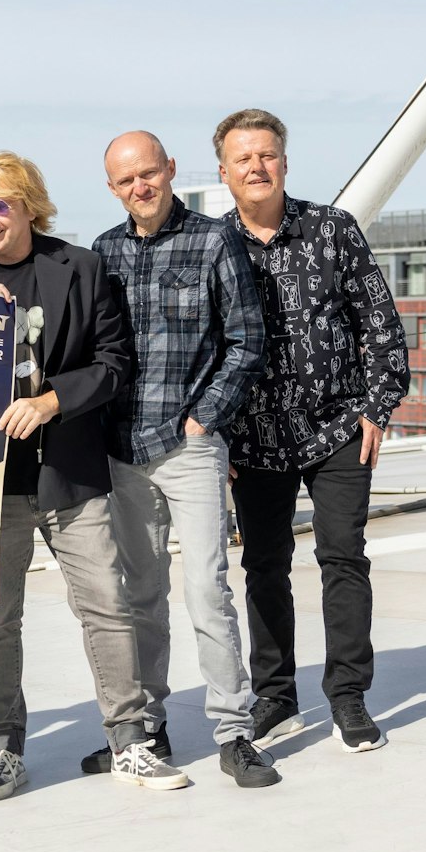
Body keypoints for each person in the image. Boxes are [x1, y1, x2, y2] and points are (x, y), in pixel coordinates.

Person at [0, 152, 184, 799]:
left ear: (29, 208)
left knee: (106, 605)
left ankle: (130, 741)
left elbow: (113, 361)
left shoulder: (80, 267)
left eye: (0, 206)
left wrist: (51, 400)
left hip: (68, 470)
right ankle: (5, 748)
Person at [214, 108, 409, 753]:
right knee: (264, 566)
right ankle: (276, 694)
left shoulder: (332, 230)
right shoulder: (214, 247)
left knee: (343, 558)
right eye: (243, 159)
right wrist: (216, 434)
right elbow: (201, 349)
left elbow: (379, 324)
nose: (256, 168)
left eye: (266, 155)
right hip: (254, 440)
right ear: (224, 172)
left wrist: (376, 409)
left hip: (337, 430)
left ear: (285, 163)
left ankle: (349, 696)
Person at [93, 131, 278, 788]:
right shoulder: (104, 251)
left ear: (170, 170)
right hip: (124, 449)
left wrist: (207, 416)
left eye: (149, 173)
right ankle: (146, 727)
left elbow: (246, 338)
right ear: (112, 188)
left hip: (191, 446)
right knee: (138, 597)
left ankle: (233, 731)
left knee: (207, 591)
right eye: (125, 180)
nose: (140, 186)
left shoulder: (211, 240)